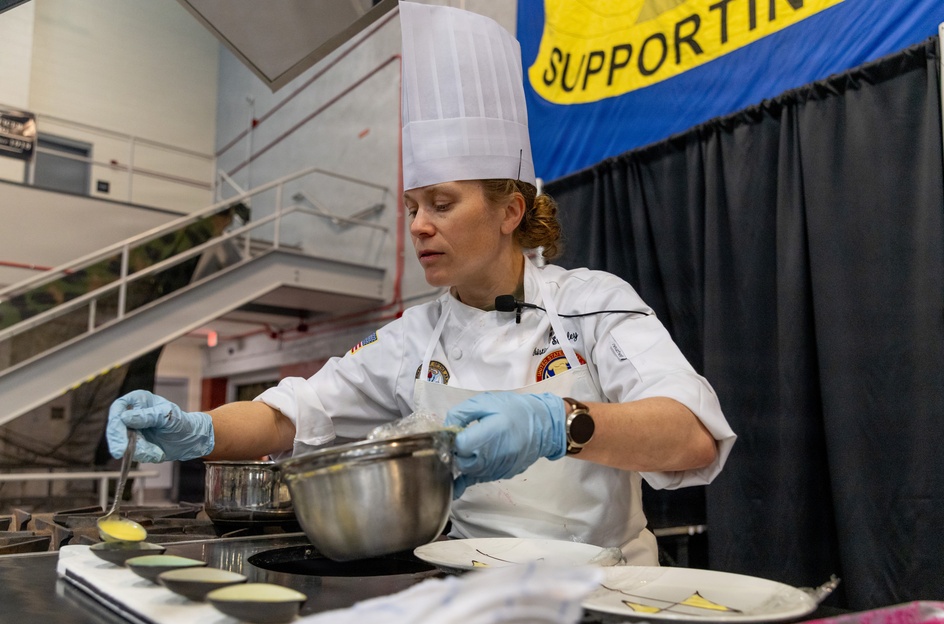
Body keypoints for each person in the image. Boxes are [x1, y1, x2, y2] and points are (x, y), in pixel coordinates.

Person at [105, 2, 736, 566]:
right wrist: (198, 430)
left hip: (601, 595)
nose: (419, 227)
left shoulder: (591, 304)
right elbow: (288, 416)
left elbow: (691, 438)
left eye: (440, 203)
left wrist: (556, 422)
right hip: (463, 590)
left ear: (509, 212)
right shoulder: (415, 336)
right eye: (411, 207)